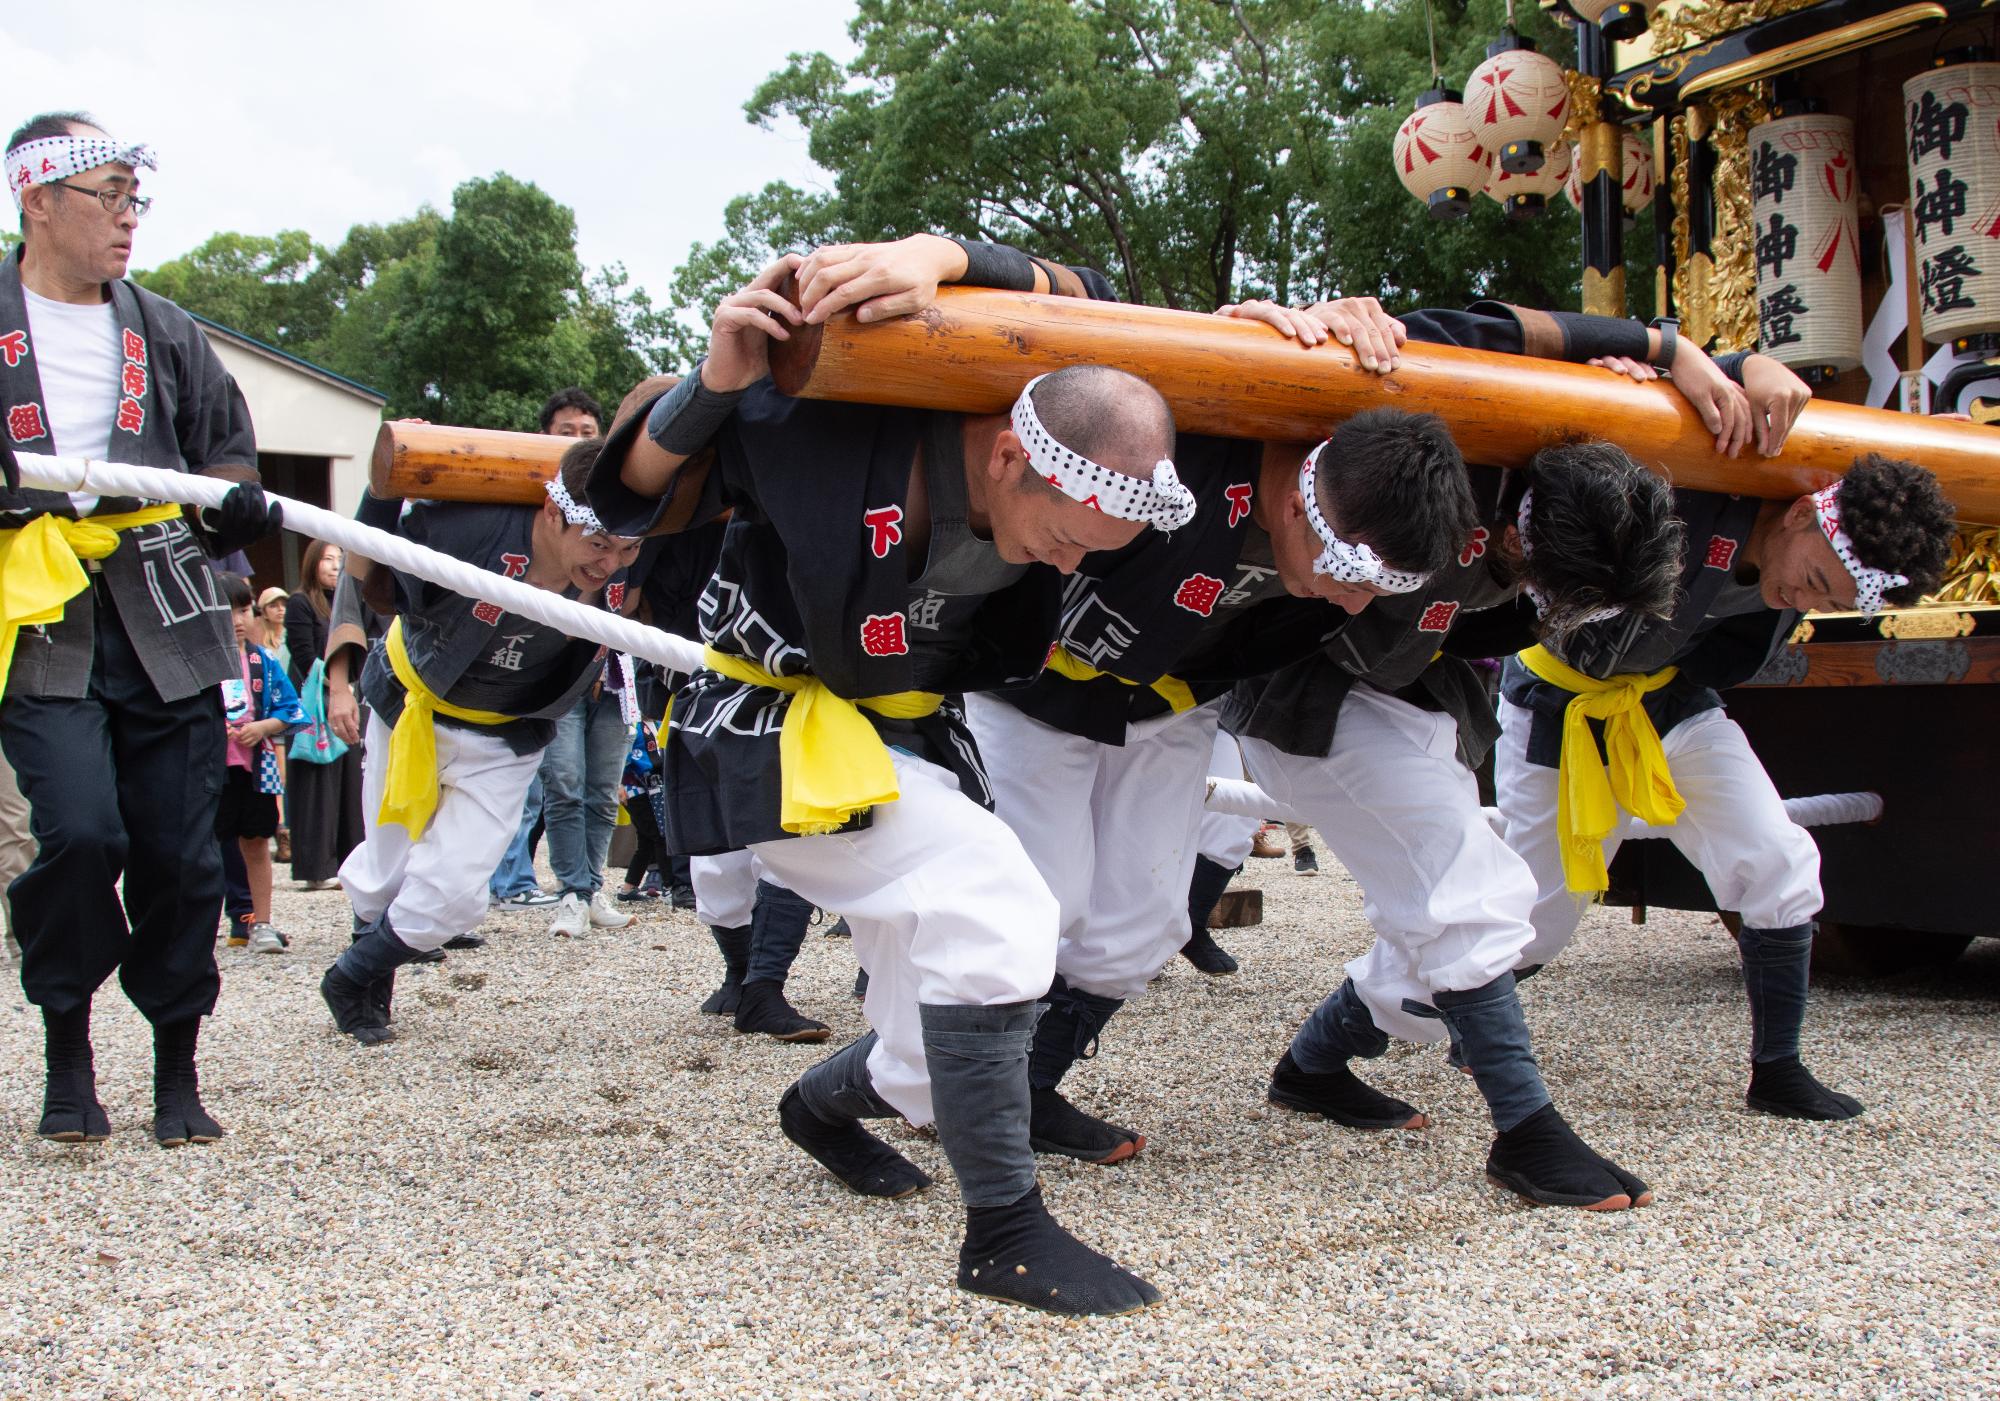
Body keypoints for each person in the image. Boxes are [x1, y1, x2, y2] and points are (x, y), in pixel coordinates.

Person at [587, 237, 1195, 1316]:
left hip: (911, 740)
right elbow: (615, 496)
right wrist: (715, 380)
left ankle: (817, 1109)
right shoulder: (827, 421)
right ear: (1006, 457)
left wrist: (945, 252)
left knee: (927, 1041)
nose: (1068, 564)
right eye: (1063, 538)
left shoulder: (1054, 449)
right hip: (782, 733)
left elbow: (1100, 298)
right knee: (999, 903)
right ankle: (1003, 1232)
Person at [1493, 450, 1957, 1123]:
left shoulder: (1792, 571)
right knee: (1532, 922)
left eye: (1829, 603)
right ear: (1801, 515)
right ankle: (1357, 1036)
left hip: (1671, 701)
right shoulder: (1689, 496)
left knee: (1778, 858)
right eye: (1815, 580)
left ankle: (1778, 1069)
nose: (1807, 601)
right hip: (1561, 705)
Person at [0, 111, 283, 1146]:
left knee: (179, 853)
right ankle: (67, 1054)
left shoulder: (163, 329)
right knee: (80, 832)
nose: (129, 219)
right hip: (39, 613)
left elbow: (226, 449)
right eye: (110, 197)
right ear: (39, 200)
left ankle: (176, 1067)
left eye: (136, 199)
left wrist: (231, 501)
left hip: (163, 609)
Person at [318, 439, 642, 1045]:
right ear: (553, 513)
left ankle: (349, 975)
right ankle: (370, 987)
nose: (610, 565)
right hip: (411, 706)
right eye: (598, 544)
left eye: (628, 549)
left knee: (455, 893)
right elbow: (374, 576)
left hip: (507, 732)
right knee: (387, 864)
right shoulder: (469, 527)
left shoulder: (625, 571)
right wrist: (386, 483)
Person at [487, 388, 608, 911]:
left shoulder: (621, 500)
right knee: (549, 784)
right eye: (566, 432)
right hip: (528, 659)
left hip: (601, 667)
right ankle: (520, 880)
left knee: (598, 789)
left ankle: (588, 886)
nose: (577, 440)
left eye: (587, 433)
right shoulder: (523, 503)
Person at [215, 572, 306, 953]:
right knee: (205, 847)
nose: (238, 620)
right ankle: (202, 924)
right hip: (209, 769)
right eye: (227, 611)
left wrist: (263, 726)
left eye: (244, 610)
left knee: (255, 842)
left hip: (255, 768)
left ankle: (261, 922)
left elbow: (292, 708)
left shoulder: (263, 660)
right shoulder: (198, 662)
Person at [285, 539, 365, 890]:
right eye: (327, 559)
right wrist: (336, 684)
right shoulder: (301, 602)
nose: (334, 565)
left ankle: (349, 863)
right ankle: (317, 866)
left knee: (350, 783)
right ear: (312, 563)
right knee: (317, 785)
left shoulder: (347, 603)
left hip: (348, 695)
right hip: (315, 700)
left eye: (339, 559)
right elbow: (303, 653)